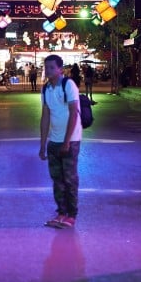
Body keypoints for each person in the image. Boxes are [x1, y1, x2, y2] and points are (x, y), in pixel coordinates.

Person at [39, 54, 82, 229]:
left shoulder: (68, 85)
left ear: (60, 69)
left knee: (69, 179)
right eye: (46, 67)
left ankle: (71, 215)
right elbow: (45, 116)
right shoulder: (46, 89)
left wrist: (66, 142)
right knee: (57, 179)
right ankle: (61, 213)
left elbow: (73, 113)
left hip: (70, 139)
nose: (48, 70)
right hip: (54, 140)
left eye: (51, 67)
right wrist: (43, 144)